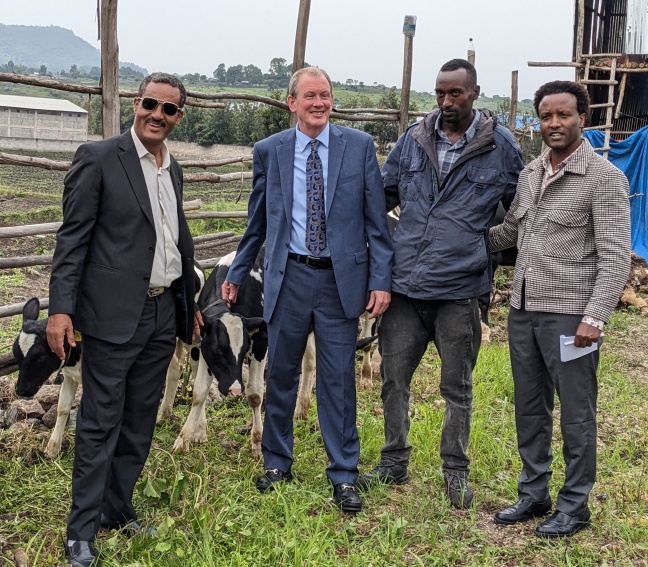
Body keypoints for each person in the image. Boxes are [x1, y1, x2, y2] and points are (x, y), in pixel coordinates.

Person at [221, 66, 393, 513]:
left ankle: (343, 474)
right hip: (289, 278)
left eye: (326, 95)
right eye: (310, 96)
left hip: (341, 281)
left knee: (338, 380)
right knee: (281, 374)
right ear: (291, 102)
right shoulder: (270, 151)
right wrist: (236, 273)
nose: (319, 103)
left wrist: (380, 279)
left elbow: (377, 222)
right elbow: (256, 222)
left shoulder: (358, 147)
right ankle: (277, 462)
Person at [46, 73, 201, 567]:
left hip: (161, 312)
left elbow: (177, 242)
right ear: (137, 104)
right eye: (151, 103)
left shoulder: (171, 169)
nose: (158, 114)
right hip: (114, 315)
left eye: (169, 109)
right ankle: (81, 531)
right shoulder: (99, 158)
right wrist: (61, 309)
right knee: (100, 422)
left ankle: (118, 508)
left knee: (139, 420)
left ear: (179, 116)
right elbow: (72, 239)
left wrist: (189, 304)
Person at [358, 59, 524, 508]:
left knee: (457, 386)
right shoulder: (413, 140)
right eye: (440, 94)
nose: (447, 102)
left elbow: (520, 211)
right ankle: (393, 461)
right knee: (394, 381)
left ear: (474, 93)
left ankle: (455, 470)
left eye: (456, 93)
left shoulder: (501, 147)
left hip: (459, 291)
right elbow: (380, 196)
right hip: (406, 287)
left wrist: (482, 250)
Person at [490, 80, 630, 537]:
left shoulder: (605, 179)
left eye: (563, 115)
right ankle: (534, 493)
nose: (554, 123)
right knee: (530, 408)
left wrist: (595, 317)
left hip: (571, 317)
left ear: (581, 120)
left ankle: (575, 505)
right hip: (524, 309)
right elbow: (509, 231)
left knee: (575, 411)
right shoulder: (531, 173)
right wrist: (456, 236)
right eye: (546, 116)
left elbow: (615, 257)